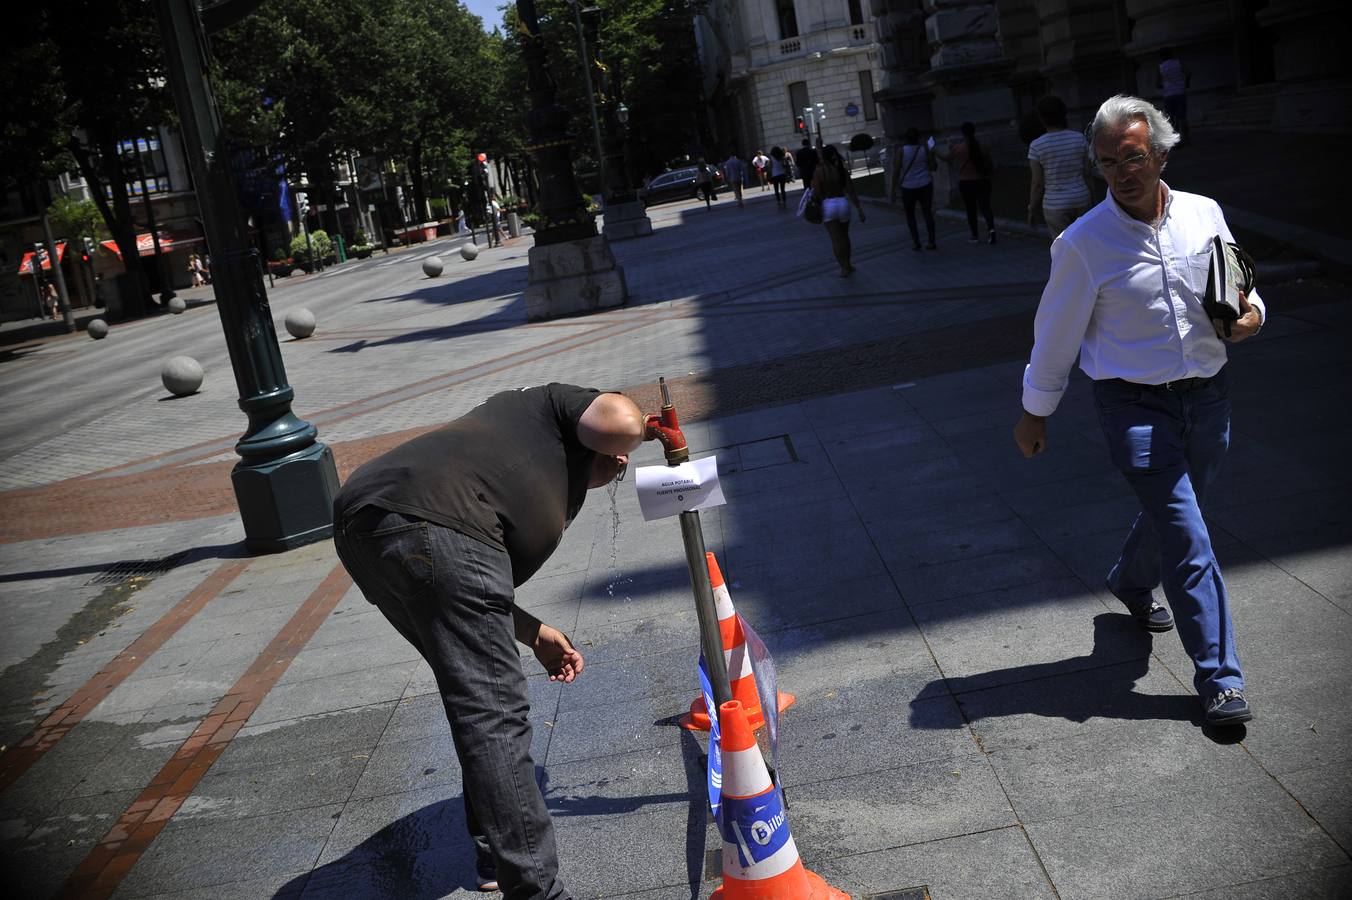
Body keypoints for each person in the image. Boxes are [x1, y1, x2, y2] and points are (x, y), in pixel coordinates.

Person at [333, 385, 648, 896]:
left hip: (365, 521)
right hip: (432, 517)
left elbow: (463, 576)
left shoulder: (522, 448)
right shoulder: (553, 403)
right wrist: (640, 433)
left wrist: (534, 633)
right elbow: (620, 420)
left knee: (474, 697)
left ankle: (492, 858)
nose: (617, 467)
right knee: (493, 714)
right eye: (616, 463)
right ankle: (535, 890)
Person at [1013, 95, 1264, 728]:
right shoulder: (1082, 243)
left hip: (1208, 399)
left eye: (1133, 157)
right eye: (1108, 163)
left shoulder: (1205, 215)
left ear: (1159, 151)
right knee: (1188, 535)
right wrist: (1034, 411)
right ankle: (1220, 680)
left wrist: (1251, 317)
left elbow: (1241, 291)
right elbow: (1055, 334)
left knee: (1175, 518)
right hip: (1133, 408)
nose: (1123, 172)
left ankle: (1129, 577)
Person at [1027, 94, 1092, 239]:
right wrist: (1091, 197)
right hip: (1081, 198)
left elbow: (1037, 183)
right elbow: (1087, 173)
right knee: (1086, 243)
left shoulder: (1037, 146)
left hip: (1055, 204)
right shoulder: (1079, 138)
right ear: (1064, 114)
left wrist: (1032, 207)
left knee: (1063, 249)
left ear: (1041, 118)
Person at [810, 144, 866, 277]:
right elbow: (851, 191)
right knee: (845, 237)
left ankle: (843, 268)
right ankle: (849, 264)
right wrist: (859, 209)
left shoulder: (819, 171)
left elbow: (817, 192)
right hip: (843, 203)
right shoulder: (841, 170)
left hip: (828, 204)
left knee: (836, 239)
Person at [939, 122, 997, 244]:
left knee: (971, 209)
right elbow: (990, 163)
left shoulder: (958, 148)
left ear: (963, 133)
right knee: (985, 207)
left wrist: (934, 150)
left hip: (966, 182)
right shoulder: (982, 146)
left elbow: (946, 158)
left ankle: (974, 235)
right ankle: (991, 230)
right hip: (982, 181)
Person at [889, 128, 937, 250]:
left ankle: (916, 242)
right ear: (918, 138)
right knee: (927, 213)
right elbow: (933, 167)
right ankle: (931, 241)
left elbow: (896, 171)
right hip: (926, 184)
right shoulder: (924, 149)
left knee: (910, 215)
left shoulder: (901, 151)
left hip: (908, 187)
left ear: (906, 139)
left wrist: (893, 190)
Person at [1157, 47, 1191, 144]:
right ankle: (1185, 138)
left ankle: (1174, 139)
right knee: (1182, 116)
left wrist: (1165, 85)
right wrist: (1186, 83)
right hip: (1180, 92)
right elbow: (1188, 73)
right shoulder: (1178, 63)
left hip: (1168, 94)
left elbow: (1157, 84)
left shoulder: (1161, 67)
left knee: (1171, 118)